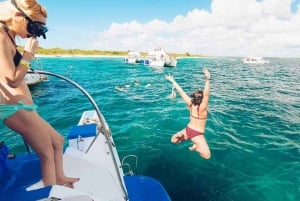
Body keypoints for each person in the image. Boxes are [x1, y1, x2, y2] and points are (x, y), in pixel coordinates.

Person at [0, 0, 79, 187]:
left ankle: (59, 178)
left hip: (25, 106)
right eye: (34, 27)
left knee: (58, 141)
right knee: (46, 154)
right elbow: (11, 79)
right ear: (18, 16)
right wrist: (27, 55)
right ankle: (51, 194)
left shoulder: (8, 35)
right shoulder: (0, 37)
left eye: (40, 30)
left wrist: (26, 56)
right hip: (14, 108)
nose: (35, 34)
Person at [165, 68, 211, 159]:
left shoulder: (190, 104)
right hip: (197, 134)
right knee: (207, 156)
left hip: (188, 130)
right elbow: (206, 95)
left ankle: (178, 135)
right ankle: (196, 147)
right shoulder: (203, 108)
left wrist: (172, 80)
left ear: (194, 97)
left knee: (173, 141)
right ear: (201, 99)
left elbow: (181, 91)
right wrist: (207, 79)